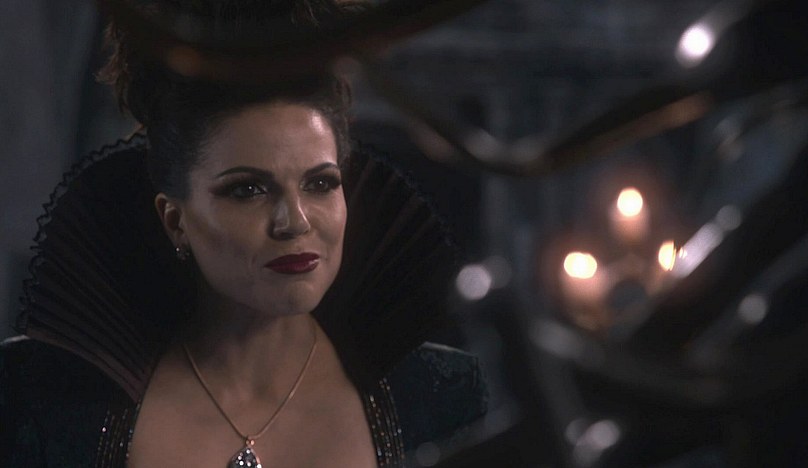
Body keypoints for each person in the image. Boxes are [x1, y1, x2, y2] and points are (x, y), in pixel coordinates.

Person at [0, 1, 487, 467]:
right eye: (248, 190)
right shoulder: (42, 401)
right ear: (175, 220)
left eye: (320, 184)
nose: (295, 221)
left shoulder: (444, 396)